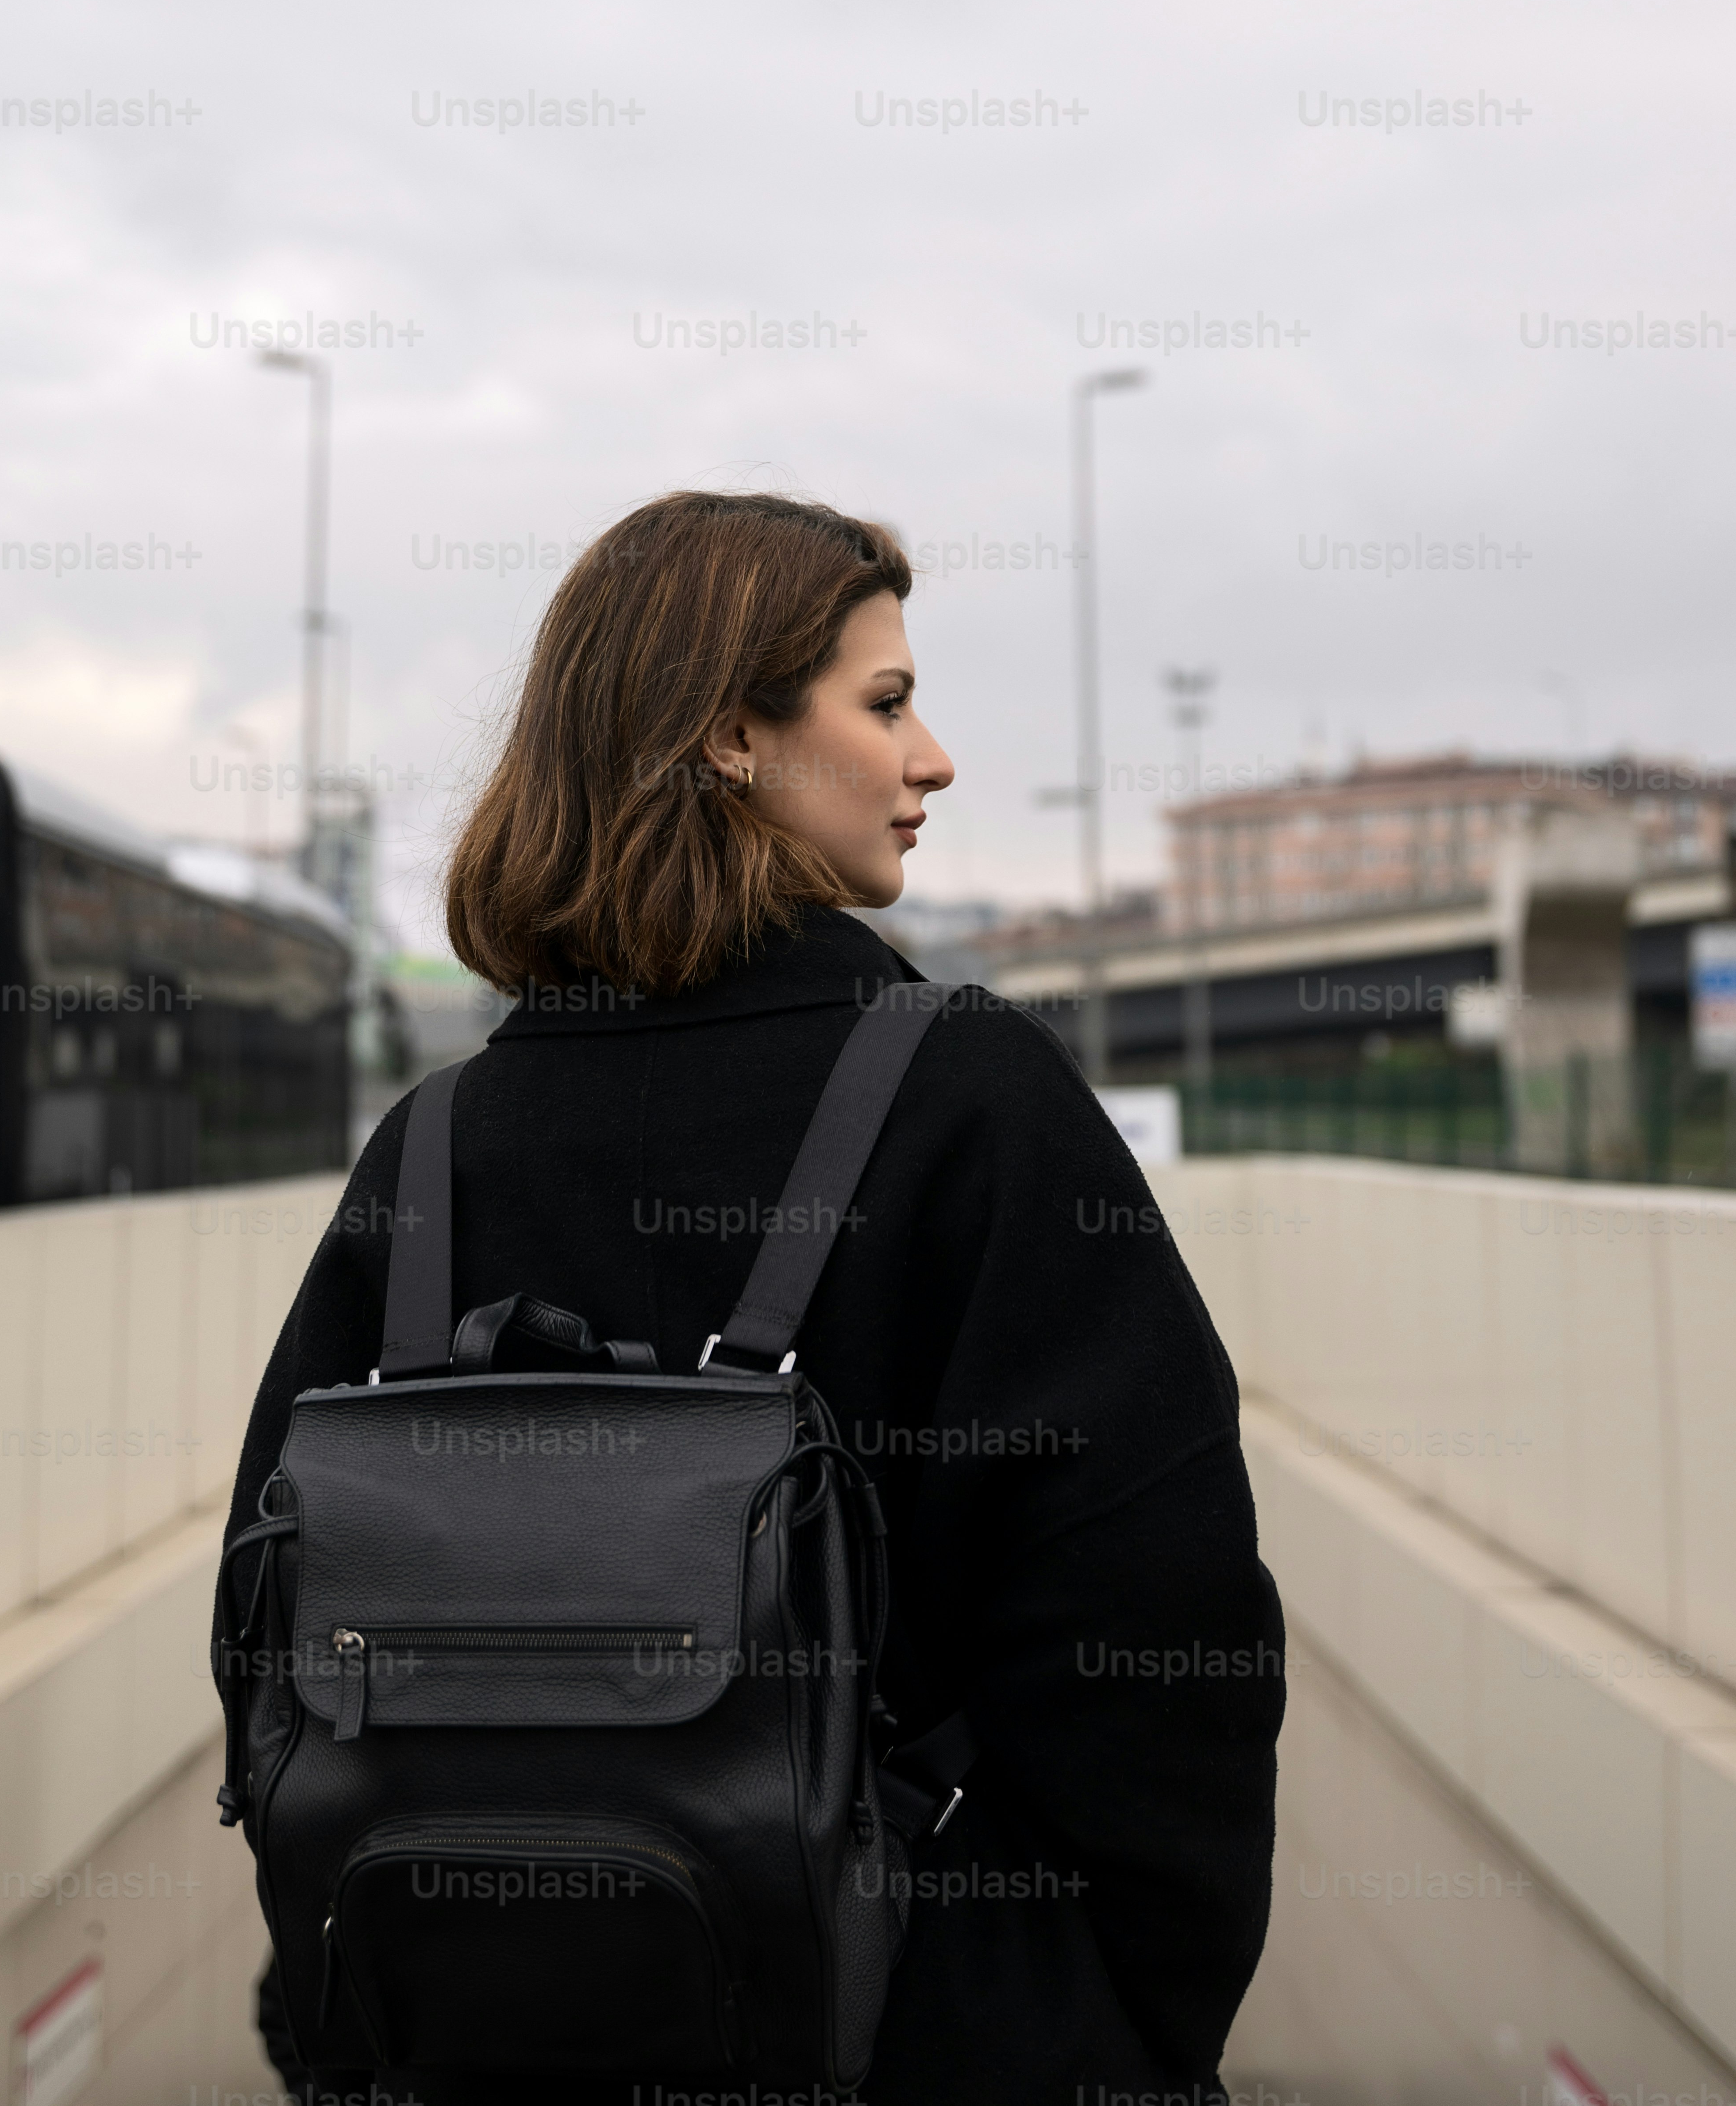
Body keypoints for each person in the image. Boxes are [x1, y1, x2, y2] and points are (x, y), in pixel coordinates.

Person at [225, 488, 1282, 2106]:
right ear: (731, 735)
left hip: (479, 2051)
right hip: (929, 2042)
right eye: (886, 703)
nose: (933, 759)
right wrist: (1095, 2031)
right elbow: (1163, 1642)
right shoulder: (975, 1103)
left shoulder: (431, 1150)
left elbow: (268, 1650)